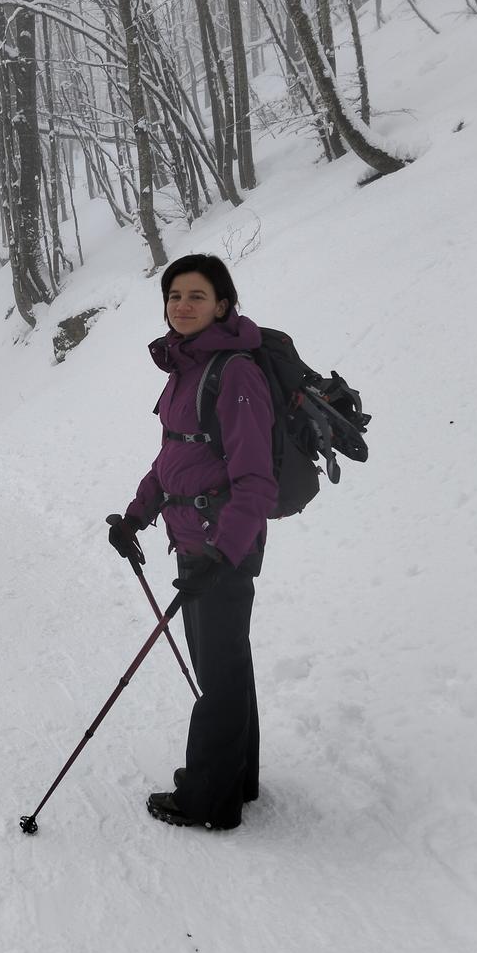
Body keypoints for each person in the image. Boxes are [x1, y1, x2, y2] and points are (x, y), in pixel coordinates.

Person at [107, 254, 277, 831]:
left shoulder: (235, 373)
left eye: (197, 296)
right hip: (196, 542)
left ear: (222, 305)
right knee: (226, 665)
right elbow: (175, 457)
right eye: (174, 295)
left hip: (221, 547)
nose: (182, 305)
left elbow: (255, 480)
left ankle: (209, 798)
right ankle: (237, 779)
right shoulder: (187, 366)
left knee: (219, 673)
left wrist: (222, 554)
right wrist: (136, 516)